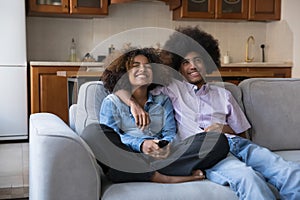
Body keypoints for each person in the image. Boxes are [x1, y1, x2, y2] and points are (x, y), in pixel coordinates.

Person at [121, 27, 300, 200]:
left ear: (207, 62)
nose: (193, 66)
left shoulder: (225, 95)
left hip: (239, 146)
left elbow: (243, 134)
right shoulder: (170, 90)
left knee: (289, 171)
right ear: (178, 67)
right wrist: (132, 104)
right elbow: (128, 86)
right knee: (248, 178)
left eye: (198, 60)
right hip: (208, 153)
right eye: (185, 62)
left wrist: (223, 128)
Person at [81, 47, 230, 184]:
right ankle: (160, 176)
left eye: (148, 66)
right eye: (135, 65)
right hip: (129, 154)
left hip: (162, 157)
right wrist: (141, 144)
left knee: (217, 140)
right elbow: (113, 137)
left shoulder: (163, 100)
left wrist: (164, 145)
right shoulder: (112, 102)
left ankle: (138, 171)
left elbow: (170, 132)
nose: (143, 69)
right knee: (92, 131)